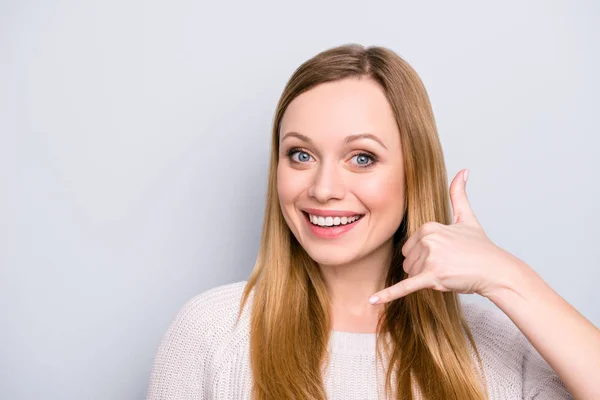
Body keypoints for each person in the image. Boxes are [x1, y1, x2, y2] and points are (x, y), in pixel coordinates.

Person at [146, 44, 599, 400]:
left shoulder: (497, 346)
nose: (323, 188)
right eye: (300, 155)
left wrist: (507, 277)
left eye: (362, 158)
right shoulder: (212, 332)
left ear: (413, 172)